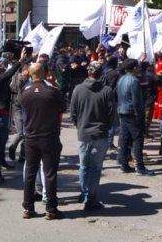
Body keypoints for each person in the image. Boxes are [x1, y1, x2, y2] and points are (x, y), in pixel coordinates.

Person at [20, 63, 67, 220]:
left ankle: (28, 207)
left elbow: (22, 108)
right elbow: (62, 108)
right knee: (49, 173)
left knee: (30, 173)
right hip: (49, 136)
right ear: (45, 73)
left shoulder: (25, 91)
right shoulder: (52, 91)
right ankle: (51, 208)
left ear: (30, 74)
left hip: (31, 136)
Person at [70, 61, 115, 211]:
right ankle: (91, 197)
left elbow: (73, 112)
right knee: (95, 168)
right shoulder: (107, 90)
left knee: (84, 166)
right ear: (101, 74)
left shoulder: (78, 89)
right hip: (100, 133)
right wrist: (107, 127)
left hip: (84, 133)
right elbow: (111, 114)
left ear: (88, 73)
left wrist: (80, 125)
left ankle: (85, 194)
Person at [116, 59, 149, 175]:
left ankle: (124, 164)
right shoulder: (134, 80)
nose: (139, 69)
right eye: (137, 67)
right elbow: (136, 101)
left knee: (125, 138)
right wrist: (139, 115)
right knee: (138, 138)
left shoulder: (121, 79)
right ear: (134, 68)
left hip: (122, 111)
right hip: (131, 113)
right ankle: (140, 167)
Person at [0, 60, 22, 170]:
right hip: (0, 112)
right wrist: (20, 61)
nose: (2, 66)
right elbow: (10, 73)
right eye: (0, 65)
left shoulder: (1, 79)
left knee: (4, 137)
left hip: (6, 111)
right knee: (0, 138)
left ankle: (1, 161)